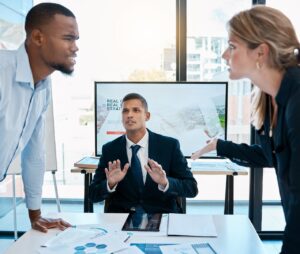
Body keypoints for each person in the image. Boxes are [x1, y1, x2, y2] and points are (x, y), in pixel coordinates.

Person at [191, 5, 300, 254]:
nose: (224, 57)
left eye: (232, 47)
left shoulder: (297, 100)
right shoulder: (271, 100)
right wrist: (220, 146)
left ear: (260, 52)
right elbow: (270, 156)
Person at [0, 3, 79, 232]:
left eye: (76, 40)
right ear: (37, 37)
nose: (75, 48)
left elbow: (34, 153)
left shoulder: (43, 86)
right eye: (68, 38)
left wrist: (35, 216)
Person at [90, 93, 198, 213]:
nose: (129, 115)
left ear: (147, 116)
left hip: (161, 216)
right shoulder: (110, 149)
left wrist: (165, 182)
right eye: (125, 111)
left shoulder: (169, 146)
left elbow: (191, 188)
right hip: (121, 219)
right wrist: (110, 183)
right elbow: (93, 195)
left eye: (136, 110)